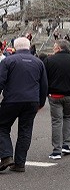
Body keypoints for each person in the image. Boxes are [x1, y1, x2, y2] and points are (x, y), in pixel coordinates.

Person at [0, 37, 48, 173]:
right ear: (29, 47)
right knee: (25, 131)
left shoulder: (8, 61)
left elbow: (0, 81)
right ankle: (20, 163)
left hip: (12, 100)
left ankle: (6, 155)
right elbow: (44, 85)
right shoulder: (38, 62)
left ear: (15, 47)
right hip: (32, 100)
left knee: (2, 126)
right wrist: (41, 102)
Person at [43, 39, 70, 160]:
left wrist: (44, 94)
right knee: (68, 118)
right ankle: (66, 144)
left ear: (58, 48)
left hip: (55, 94)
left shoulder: (49, 60)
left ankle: (56, 150)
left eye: (54, 46)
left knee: (56, 121)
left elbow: (44, 79)